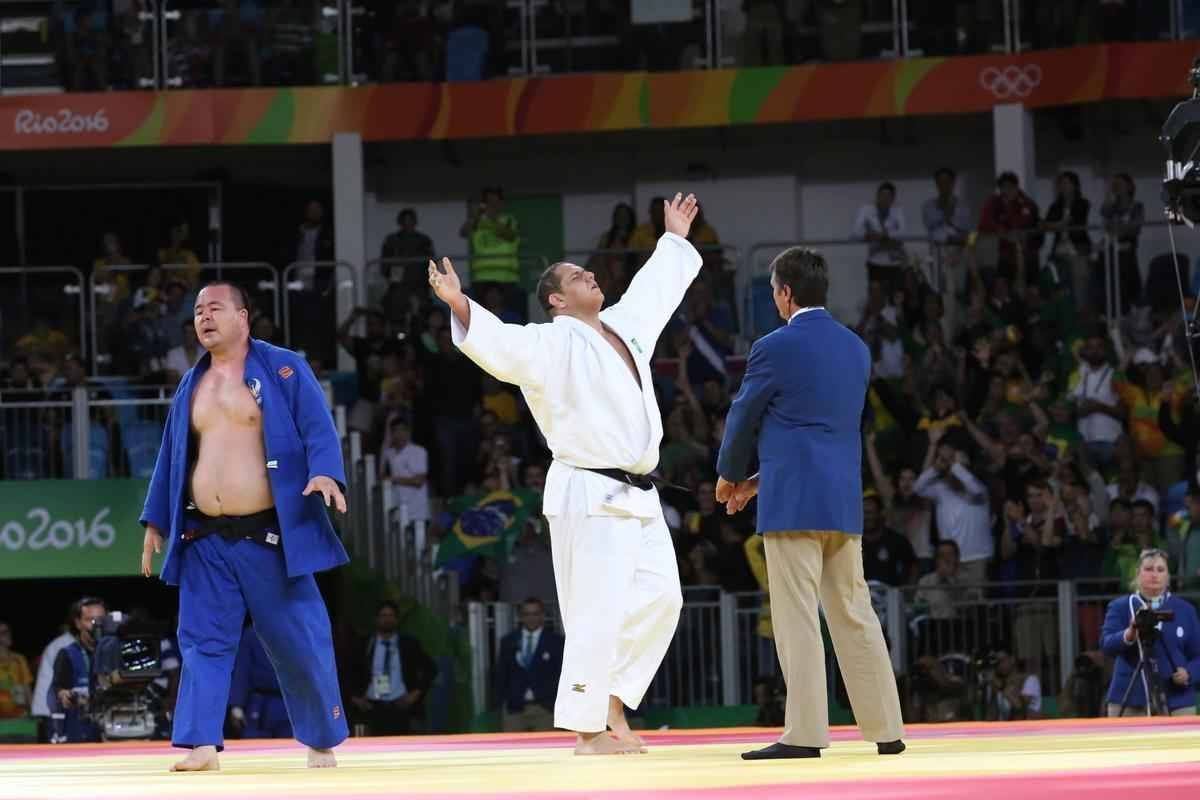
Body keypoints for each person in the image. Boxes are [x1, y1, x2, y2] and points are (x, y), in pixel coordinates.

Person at [427, 193, 702, 755]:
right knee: (594, 609)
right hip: (588, 488)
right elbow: (501, 345)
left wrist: (673, 238)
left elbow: (656, 290)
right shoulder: (550, 341)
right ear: (556, 298)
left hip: (638, 492)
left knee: (663, 600)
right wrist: (460, 304)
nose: (591, 274)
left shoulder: (624, 327)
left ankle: (613, 704)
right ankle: (586, 728)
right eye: (578, 275)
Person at [139, 281, 350, 771]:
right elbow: (172, 455)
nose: (204, 317)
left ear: (243, 317)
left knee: (298, 639)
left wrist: (324, 471)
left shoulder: (282, 367)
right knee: (201, 642)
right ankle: (201, 745)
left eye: (215, 308)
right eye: (197, 311)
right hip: (205, 537)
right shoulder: (192, 384)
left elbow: (318, 426)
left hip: (270, 537)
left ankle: (320, 739)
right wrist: (155, 518)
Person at [715, 246, 905, 759]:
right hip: (841, 497)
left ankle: (803, 734)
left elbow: (744, 416)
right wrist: (756, 480)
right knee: (854, 611)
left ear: (785, 293)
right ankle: (887, 729)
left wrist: (729, 475)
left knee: (797, 615)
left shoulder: (775, 346)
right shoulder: (856, 348)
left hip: (794, 504)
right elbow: (819, 429)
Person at [1100, 549, 1200, 716]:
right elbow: (1106, 646)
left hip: (1177, 700)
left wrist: (1188, 673)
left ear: (1168, 577)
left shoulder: (1185, 610)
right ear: (1138, 574)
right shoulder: (1121, 606)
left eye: (1160, 570)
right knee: (1127, 743)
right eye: (1148, 569)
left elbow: (1198, 655)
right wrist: (1129, 633)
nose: (1155, 575)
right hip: (1129, 697)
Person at [349, 602, 436, 736]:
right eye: (383, 615)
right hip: (372, 707)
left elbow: (430, 669)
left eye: (390, 615)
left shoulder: (408, 644)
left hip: (401, 705)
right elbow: (348, 671)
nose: (387, 619)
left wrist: (415, 694)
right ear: (376, 619)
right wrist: (355, 697)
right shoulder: (364, 645)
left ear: (397, 619)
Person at [494, 597, 565, 732]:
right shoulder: (509, 641)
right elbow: (501, 674)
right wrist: (501, 703)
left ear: (543, 615)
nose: (531, 618)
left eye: (535, 613)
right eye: (527, 614)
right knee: (512, 749)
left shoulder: (556, 642)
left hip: (545, 708)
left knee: (547, 750)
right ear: (521, 616)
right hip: (515, 709)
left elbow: (561, 675)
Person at [48, 597, 107, 744]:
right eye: (90, 620)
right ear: (78, 623)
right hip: (79, 732)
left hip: (112, 728)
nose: (96, 625)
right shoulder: (67, 654)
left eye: (100, 620)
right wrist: (65, 696)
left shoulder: (115, 652)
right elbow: (58, 692)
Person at [0, 620, 32, 719]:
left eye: (8, 631)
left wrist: (32, 711)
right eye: (3, 633)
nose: (8, 635)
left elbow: (27, 688)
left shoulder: (19, 659)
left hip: (20, 715)